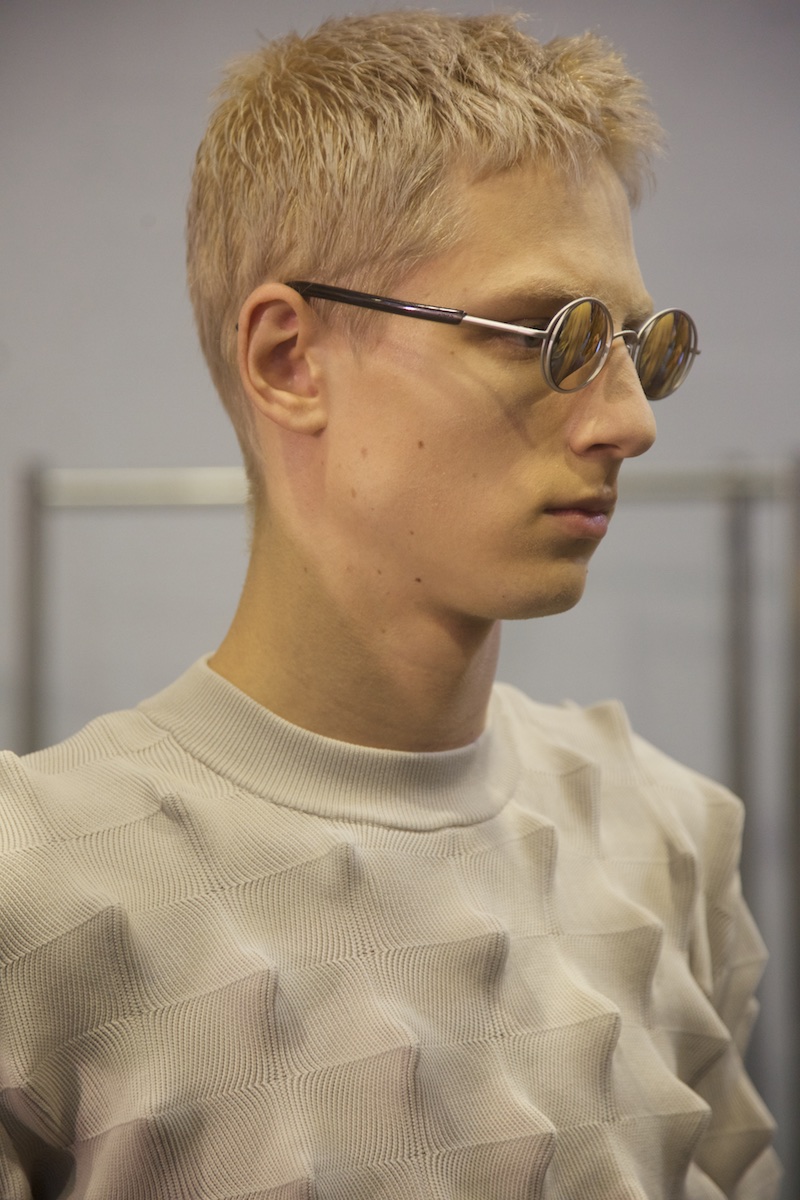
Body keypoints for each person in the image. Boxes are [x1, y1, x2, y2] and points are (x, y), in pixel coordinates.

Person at [0, 11, 780, 1198]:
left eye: (637, 344)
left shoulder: (663, 841)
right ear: (289, 360)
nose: (630, 422)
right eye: (546, 335)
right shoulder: (38, 889)